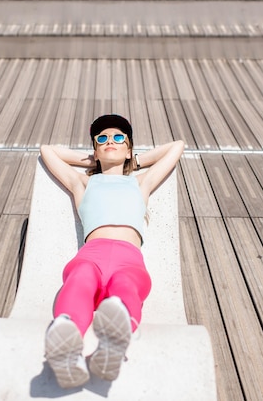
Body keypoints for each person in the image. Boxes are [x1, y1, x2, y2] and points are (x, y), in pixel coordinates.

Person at [39, 114, 184, 389]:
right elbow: (48, 151)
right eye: (102, 139)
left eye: (118, 138)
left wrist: (133, 162)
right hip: (91, 254)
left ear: (129, 147)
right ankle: (66, 343)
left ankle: (113, 345)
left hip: (129, 259)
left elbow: (176, 146)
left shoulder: (141, 183)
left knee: (126, 287)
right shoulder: (82, 183)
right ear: (94, 149)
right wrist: (94, 160)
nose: (110, 142)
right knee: (80, 279)